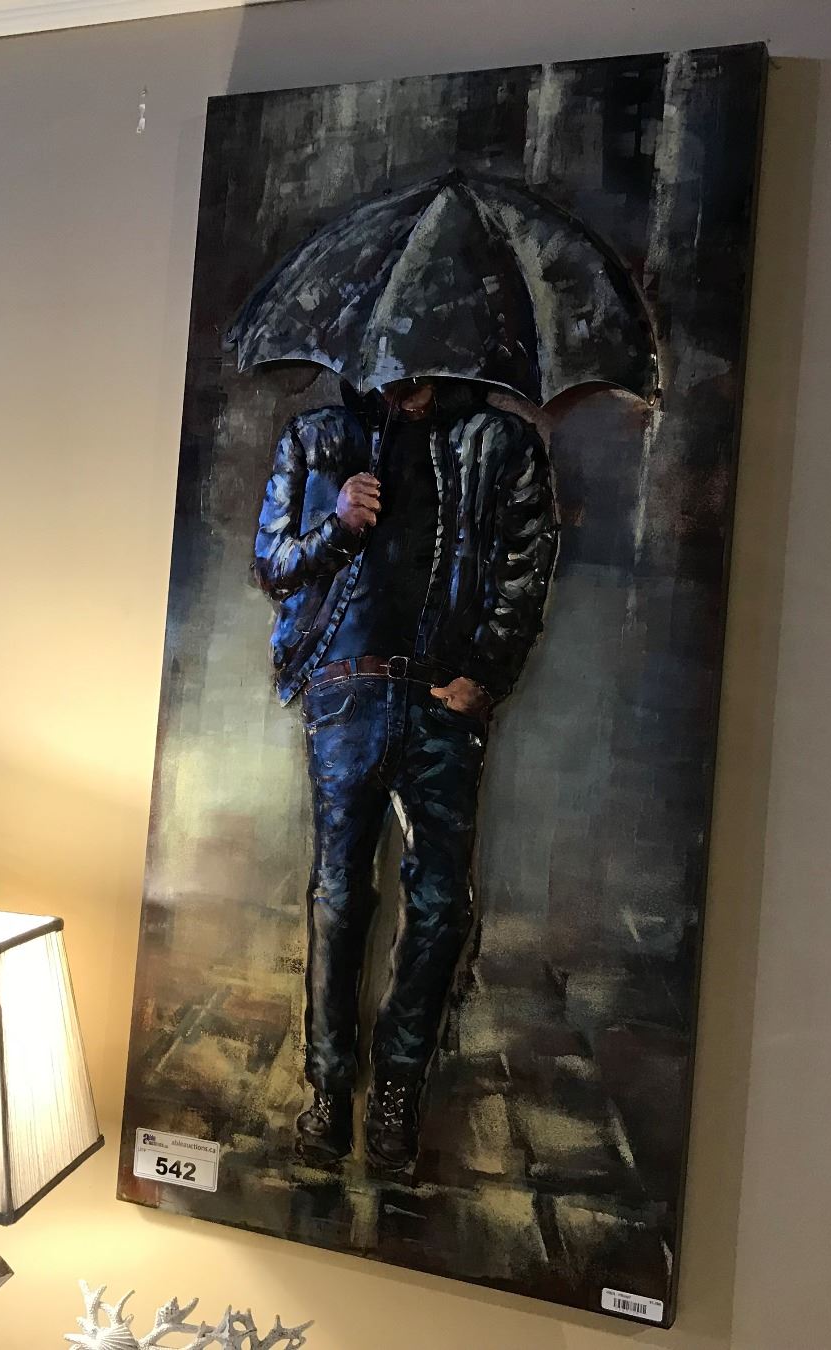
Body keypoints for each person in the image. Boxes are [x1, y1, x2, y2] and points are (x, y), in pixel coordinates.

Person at [250, 376, 558, 1172]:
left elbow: (526, 566)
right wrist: (337, 525)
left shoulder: (501, 444)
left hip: (441, 705)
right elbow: (273, 563)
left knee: (439, 905)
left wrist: (486, 675)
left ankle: (397, 1090)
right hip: (344, 694)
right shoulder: (316, 438)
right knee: (339, 897)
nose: (403, 371)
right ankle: (328, 1090)